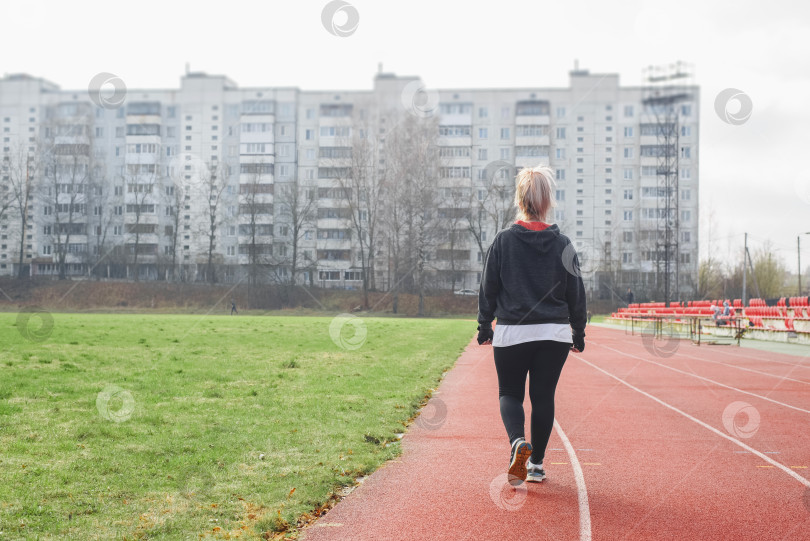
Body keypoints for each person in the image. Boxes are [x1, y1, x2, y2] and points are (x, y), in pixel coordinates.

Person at [476, 165, 587, 486]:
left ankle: (516, 443)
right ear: (547, 200)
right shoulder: (563, 243)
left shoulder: (502, 241)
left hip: (513, 331)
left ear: (519, 199)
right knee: (543, 397)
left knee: (509, 393)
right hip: (554, 334)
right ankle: (536, 464)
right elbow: (575, 292)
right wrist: (578, 331)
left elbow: (489, 287)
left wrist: (484, 324)